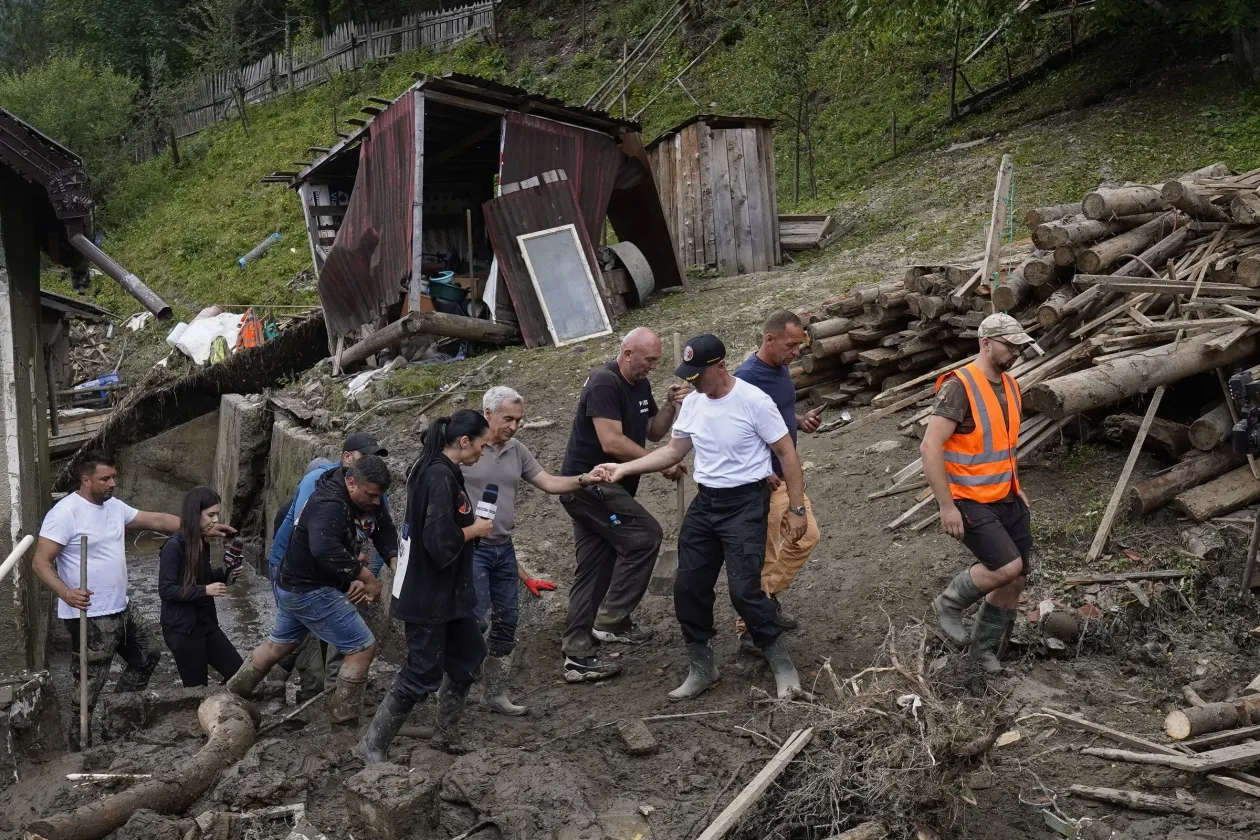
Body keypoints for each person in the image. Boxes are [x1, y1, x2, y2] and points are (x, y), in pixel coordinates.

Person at [600, 334, 808, 700]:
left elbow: (787, 455)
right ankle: (702, 667)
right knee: (688, 588)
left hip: (745, 503)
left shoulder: (753, 401)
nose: (692, 383)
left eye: (699, 375)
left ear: (720, 367)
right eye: (689, 376)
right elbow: (672, 452)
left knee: (745, 591)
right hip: (706, 502)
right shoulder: (695, 403)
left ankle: (781, 662)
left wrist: (796, 508)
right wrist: (625, 469)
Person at [32, 452, 233, 750]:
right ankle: (79, 744)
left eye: (114, 477)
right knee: (90, 684)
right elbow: (40, 563)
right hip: (89, 613)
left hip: (121, 607)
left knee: (148, 654)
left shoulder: (113, 507)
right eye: (105, 478)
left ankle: (116, 720)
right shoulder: (65, 514)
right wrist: (66, 593)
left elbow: (157, 520)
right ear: (86, 480)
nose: (113, 483)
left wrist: (200, 528)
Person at [355, 410, 496, 762]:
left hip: (450, 593)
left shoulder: (440, 470)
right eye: (482, 445)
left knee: (468, 655)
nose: (483, 452)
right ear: (464, 441)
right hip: (429, 594)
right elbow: (438, 540)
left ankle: (446, 732)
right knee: (422, 671)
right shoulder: (437, 475)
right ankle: (371, 745)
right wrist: (474, 530)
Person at [462, 386, 609, 715]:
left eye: (519, 420)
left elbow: (549, 482)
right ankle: (455, 689)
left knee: (506, 621)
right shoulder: (467, 448)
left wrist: (585, 478)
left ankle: (495, 693)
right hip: (471, 549)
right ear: (488, 414)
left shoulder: (516, 450)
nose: (514, 426)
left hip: (502, 547)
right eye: (508, 419)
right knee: (474, 621)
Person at [558, 327, 690, 683]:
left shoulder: (639, 384)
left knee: (594, 565)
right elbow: (612, 442)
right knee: (646, 535)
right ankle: (612, 619)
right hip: (589, 485)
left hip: (610, 488)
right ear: (627, 353)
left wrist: (671, 407)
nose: (653, 366)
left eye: (657, 361)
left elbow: (653, 432)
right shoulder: (605, 382)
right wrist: (661, 461)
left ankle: (578, 654)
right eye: (648, 360)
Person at [226, 455, 395, 724]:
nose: (376, 501)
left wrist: (394, 563)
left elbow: (384, 530)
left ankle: (231, 694)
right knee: (362, 647)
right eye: (372, 495)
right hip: (308, 587)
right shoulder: (328, 503)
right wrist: (368, 579)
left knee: (279, 645)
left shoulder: (369, 495)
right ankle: (345, 719)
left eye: (380, 496)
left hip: (297, 584)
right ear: (351, 482)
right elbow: (324, 550)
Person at [926, 313, 1039, 674]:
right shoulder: (959, 386)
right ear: (986, 343)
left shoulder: (1010, 385)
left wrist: (1015, 486)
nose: (1016, 354)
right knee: (1006, 566)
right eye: (1010, 347)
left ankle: (983, 650)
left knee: (1017, 577)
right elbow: (930, 447)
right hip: (968, 498)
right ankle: (948, 602)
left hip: (1004, 494)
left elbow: (1003, 444)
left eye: (1020, 348)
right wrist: (946, 507)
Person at [268, 434, 392, 699]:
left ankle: (326, 692)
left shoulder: (373, 491)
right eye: (365, 457)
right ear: (347, 461)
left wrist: (376, 570)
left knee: (298, 639)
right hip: (300, 572)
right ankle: (312, 699)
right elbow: (318, 542)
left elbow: (383, 532)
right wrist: (357, 575)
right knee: (306, 642)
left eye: (376, 459)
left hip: (337, 571)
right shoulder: (320, 487)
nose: (371, 463)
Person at [732, 310, 823, 650]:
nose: (796, 352)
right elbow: (735, 433)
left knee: (806, 536)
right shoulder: (746, 379)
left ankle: (763, 602)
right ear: (769, 339)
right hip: (761, 484)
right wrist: (761, 469)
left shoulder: (780, 369)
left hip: (785, 478)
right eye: (790, 345)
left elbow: (772, 417)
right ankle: (748, 630)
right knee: (765, 557)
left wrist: (797, 421)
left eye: (799, 345)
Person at [158, 486, 244, 687]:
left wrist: (225, 572)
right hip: (182, 630)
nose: (215, 521)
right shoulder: (173, 547)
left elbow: (202, 579)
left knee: (238, 674)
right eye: (211, 515)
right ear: (195, 514)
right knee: (196, 689)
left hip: (205, 623)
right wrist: (205, 591)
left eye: (217, 515)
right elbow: (166, 589)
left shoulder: (200, 542)